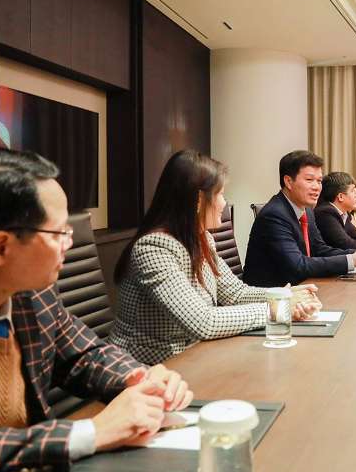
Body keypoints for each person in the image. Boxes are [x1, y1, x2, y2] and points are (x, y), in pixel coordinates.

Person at [0, 148, 192, 472]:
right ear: (1, 248)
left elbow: (85, 355)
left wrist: (140, 379)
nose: (70, 241)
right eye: (58, 233)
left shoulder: (33, 295)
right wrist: (91, 433)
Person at [109, 151, 319, 365]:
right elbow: (203, 321)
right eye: (220, 194)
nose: (224, 203)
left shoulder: (202, 238)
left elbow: (235, 293)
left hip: (194, 355)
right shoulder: (154, 248)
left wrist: (283, 295)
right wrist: (279, 308)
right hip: (146, 368)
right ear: (198, 200)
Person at [244, 151, 356, 287]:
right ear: (288, 181)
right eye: (309, 180)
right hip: (273, 294)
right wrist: (352, 260)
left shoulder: (306, 210)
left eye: (319, 181)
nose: (316, 187)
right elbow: (298, 265)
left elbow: (319, 249)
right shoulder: (274, 215)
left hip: (303, 287)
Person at [314, 172, 356, 250]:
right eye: (353, 191)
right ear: (340, 197)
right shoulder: (325, 213)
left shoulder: (344, 214)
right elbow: (346, 243)